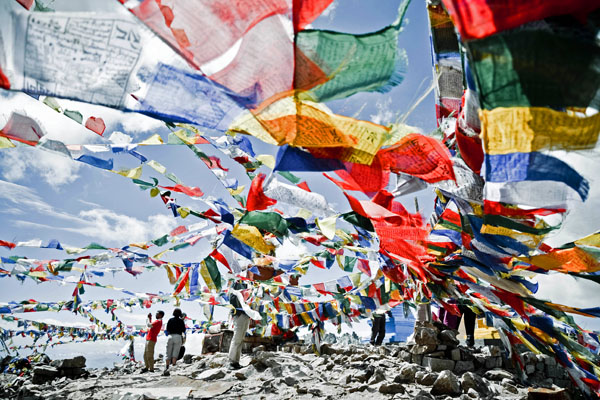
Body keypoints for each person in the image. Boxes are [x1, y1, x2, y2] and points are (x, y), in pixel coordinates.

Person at [228, 281, 250, 370]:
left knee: (241, 338)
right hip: (239, 314)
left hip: (246, 314)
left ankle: (236, 361)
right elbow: (233, 299)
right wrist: (239, 311)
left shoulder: (247, 285)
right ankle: (231, 361)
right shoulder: (235, 284)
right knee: (237, 338)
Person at [163, 308, 186, 376]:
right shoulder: (181, 321)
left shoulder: (170, 320)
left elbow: (167, 329)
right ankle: (173, 366)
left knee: (168, 352)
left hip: (170, 336)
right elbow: (183, 330)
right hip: (178, 336)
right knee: (175, 352)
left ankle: (167, 367)